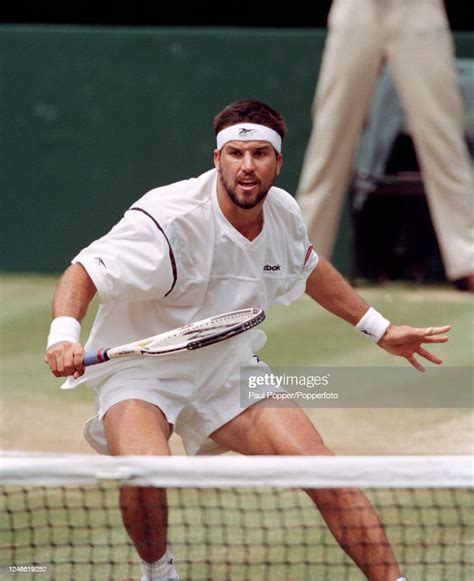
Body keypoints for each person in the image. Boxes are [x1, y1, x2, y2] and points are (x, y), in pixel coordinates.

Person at [44, 99, 450, 581]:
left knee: (325, 473)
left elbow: (309, 267)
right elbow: (84, 270)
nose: (248, 166)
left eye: (260, 154)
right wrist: (63, 334)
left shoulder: (283, 214)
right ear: (217, 159)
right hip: (142, 372)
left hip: (228, 369)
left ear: (278, 162)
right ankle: (157, 571)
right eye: (236, 154)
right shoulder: (168, 220)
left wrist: (380, 330)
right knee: (146, 475)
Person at [296, 0, 474, 291]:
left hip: (418, 8)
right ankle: (300, 258)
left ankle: (469, 257)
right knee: (331, 132)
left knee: (443, 132)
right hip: (358, 8)